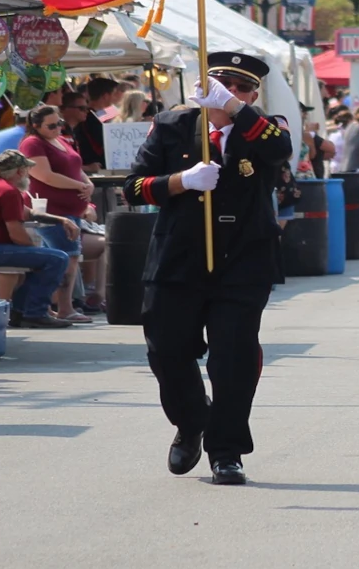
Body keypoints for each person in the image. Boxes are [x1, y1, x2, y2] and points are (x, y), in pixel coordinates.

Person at [124, 52, 292, 486]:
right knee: (167, 348)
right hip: (178, 258)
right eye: (222, 85)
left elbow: (280, 149)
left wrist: (236, 110)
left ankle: (227, 450)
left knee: (233, 357)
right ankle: (192, 421)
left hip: (243, 259)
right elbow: (135, 187)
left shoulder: (263, 127)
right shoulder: (172, 125)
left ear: (254, 94)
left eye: (241, 88)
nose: (230, 93)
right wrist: (181, 181)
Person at [0, 150, 75, 330]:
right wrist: (35, 252)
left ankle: (21, 311)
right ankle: (35, 312)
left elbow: (29, 213)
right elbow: (16, 233)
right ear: (20, 171)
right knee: (58, 259)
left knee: (44, 259)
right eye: (26, 170)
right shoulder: (8, 191)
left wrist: (61, 220)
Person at [20, 103, 100, 321]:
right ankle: (64, 307)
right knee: (67, 259)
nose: (57, 128)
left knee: (64, 259)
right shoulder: (32, 144)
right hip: (52, 212)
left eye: (59, 123)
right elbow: (44, 175)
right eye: (51, 125)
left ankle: (55, 307)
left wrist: (87, 183)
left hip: (69, 211)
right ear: (36, 126)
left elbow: (76, 167)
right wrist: (79, 186)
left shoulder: (61, 140)